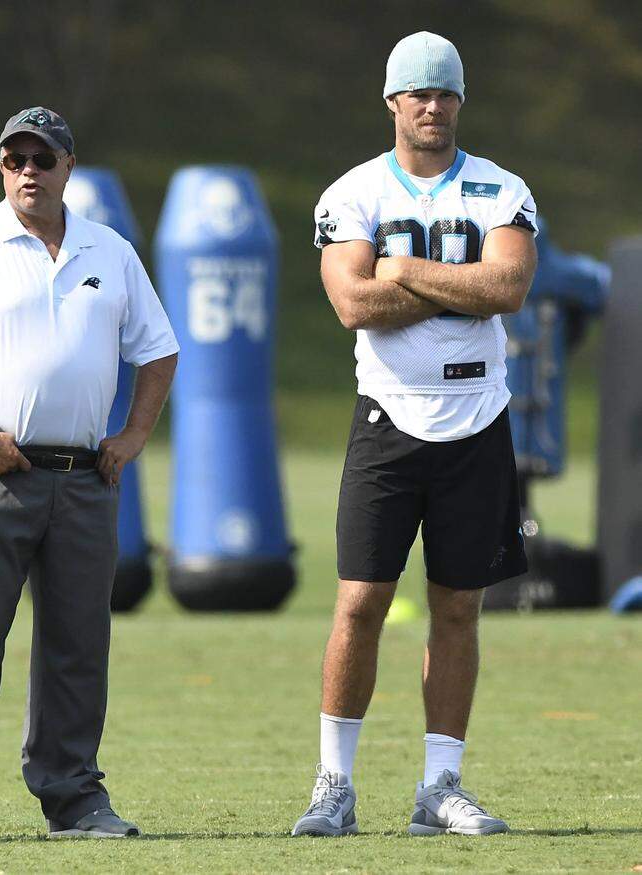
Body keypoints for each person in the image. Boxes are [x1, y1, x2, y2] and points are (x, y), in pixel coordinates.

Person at [0, 107, 178, 841]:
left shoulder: (109, 250)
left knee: (79, 641)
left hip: (86, 474)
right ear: (1, 167)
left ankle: (75, 797)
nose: (28, 170)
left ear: (68, 167)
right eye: (14, 158)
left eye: (42, 158)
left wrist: (134, 433)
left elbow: (157, 349)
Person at [292, 31, 538, 838]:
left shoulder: (501, 189)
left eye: (445, 93)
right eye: (418, 93)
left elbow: (508, 286)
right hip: (388, 415)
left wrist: (403, 269)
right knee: (360, 601)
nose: (432, 106)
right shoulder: (353, 193)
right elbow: (353, 305)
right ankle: (334, 783)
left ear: (461, 101)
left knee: (459, 605)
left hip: (477, 418)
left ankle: (440, 784)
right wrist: (453, 287)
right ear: (393, 102)